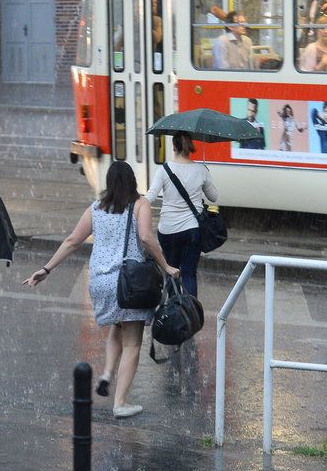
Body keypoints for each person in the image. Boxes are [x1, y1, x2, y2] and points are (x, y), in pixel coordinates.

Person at [23, 161, 179, 419]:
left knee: (117, 326)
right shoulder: (140, 205)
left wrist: (46, 269)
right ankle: (120, 403)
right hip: (130, 283)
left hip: (101, 284)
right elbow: (147, 238)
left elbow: (73, 241)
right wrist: (167, 266)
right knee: (133, 344)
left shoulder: (96, 208)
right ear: (131, 181)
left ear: (109, 182)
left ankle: (107, 373)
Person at [145, 132, 219, 297]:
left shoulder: (164, 170)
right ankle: (190, 315)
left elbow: (150, 196)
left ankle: (170, 315)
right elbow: (214, 197)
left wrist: (134, 205)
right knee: (189, 274)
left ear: (174, 147)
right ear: (190, 147)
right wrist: (206, 174)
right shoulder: (200, 169)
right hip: (192, 230)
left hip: (167, 230)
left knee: (171, 271)